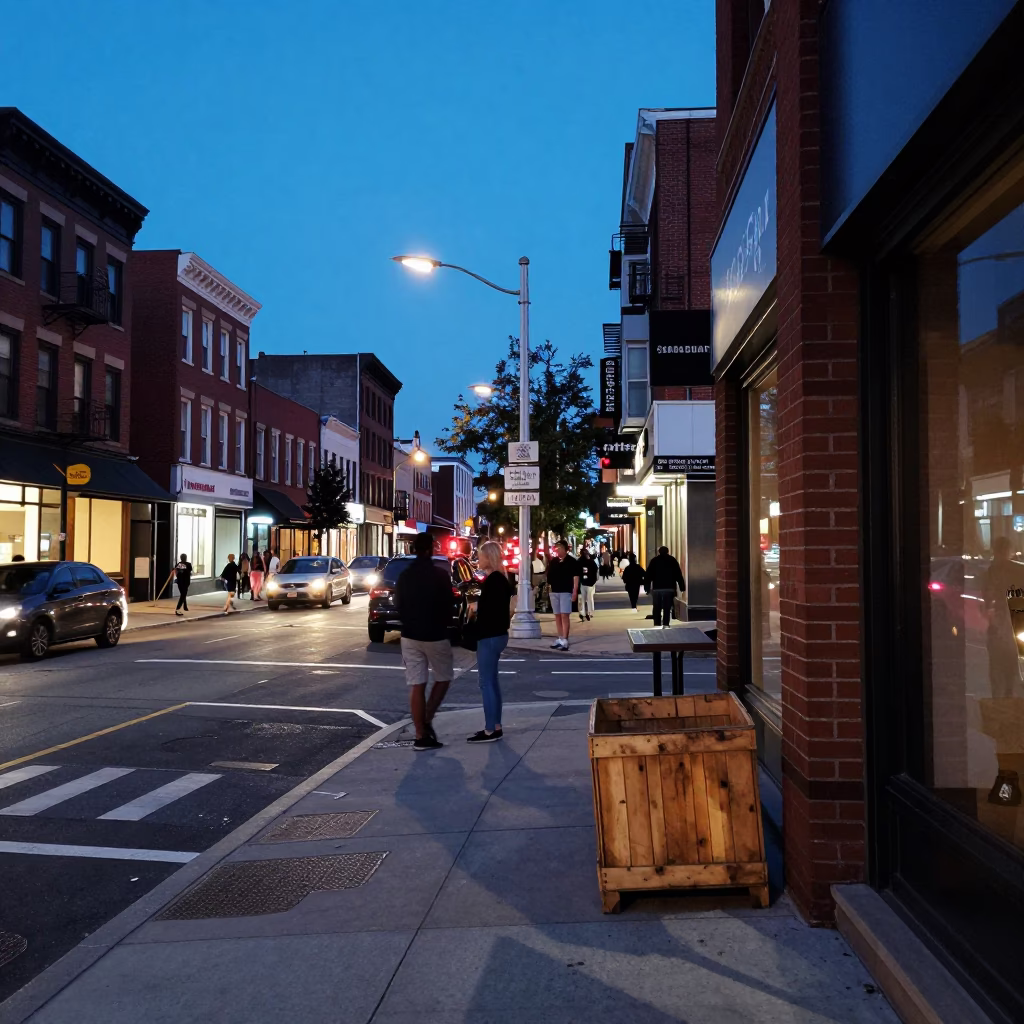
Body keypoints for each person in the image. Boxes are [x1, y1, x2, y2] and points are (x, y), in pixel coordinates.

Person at [396, 531, 453, 751]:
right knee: (444, 677)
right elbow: (448, 605)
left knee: (416, 684)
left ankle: (420, 734)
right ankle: (427, 718)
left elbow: (399, 604)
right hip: (435, 634)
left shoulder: (404, 576)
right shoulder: (440, 575)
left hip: (409, 634)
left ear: (413, 550)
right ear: (431, 549)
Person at [469, 540, 514, 743]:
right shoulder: (501, 579)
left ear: (489, 557)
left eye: (481, 555)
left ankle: (490, 729)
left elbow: (490, 611)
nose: (478, 558)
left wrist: (477, 608)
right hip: (498, 635)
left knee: (486, 682)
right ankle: (495, 725)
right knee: (492, 682)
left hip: (489, 636)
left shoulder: (493, 581)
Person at [983, 536, 1024, 697]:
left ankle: (1001, 701)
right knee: (1009, 665)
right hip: (1011, 624)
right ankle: (1007, 698)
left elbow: (988, 598)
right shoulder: (1016, 570)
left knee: (999, 667)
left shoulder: (992, 571)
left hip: (1002, 625)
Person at [546, 539, 580, 650]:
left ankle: (565, 638)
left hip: (566, 591)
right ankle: (560, 637)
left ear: (566, 549)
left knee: (564, 615)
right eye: (557, 548)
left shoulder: (572, 561)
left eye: (560, 548)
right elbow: (549, 576)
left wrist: (575, 591)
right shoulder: (553, 561)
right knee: (557, 615)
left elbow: (576, 577)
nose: (558, 550)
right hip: (554, 591)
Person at [646, 545, 686, 627]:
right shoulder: (672, 560)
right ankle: (666, 623)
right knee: (667, 607)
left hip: (657, 588)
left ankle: (657, 623)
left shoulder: (654, 561)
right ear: (667, 551)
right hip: (669, 588)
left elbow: (648, 575)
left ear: (659, 552)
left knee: (657, 606)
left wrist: (647, 587)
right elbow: (678, 574)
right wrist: (682, 586)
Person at [578, 548, 598, 622]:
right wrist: (594, 580)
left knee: (582, 599)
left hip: (582, 582)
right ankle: (590, 612)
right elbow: (596, 571)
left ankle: (583, 612)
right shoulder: (591, 562)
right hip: (590, 583)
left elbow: (577, 572)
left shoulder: (579, 561)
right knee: (590, 598)